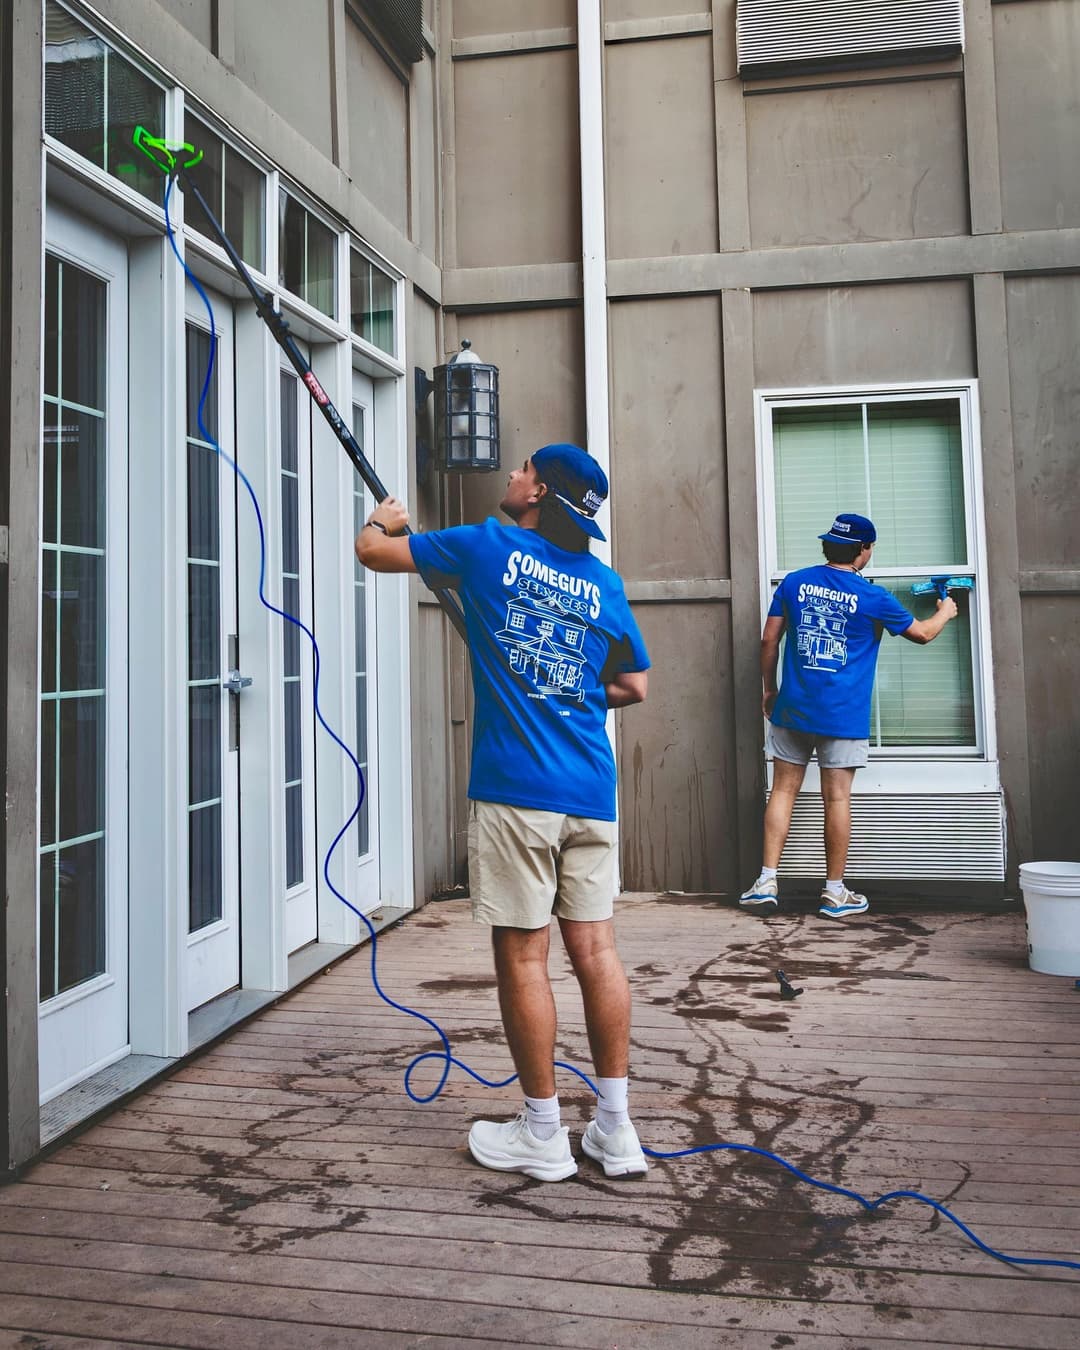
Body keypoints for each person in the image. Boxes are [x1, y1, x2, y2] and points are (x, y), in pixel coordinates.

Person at [355, 443, 650, 1182]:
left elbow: (373, 554)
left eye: (520, 470)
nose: (511, 476)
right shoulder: (603, 582)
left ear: (537, 490)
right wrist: (572, 691)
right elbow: (635, 685)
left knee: (525, 956)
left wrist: (382, 516)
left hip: (518, 790)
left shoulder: (486, 548)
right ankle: (616, 1131)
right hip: (590, 791)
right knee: (597, 953)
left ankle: (543, 1133)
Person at [740, 513, 958, 920]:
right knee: (836, 798)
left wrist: (769, 689)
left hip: (794, 707)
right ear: (864, 550)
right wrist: (945, 610)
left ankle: (766, 882)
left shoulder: (795, 582)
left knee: (783, 791)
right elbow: (923, 633)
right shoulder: (872, 596)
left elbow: (769, 639)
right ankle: (834, 893)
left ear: (828, 545)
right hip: (843, 716)